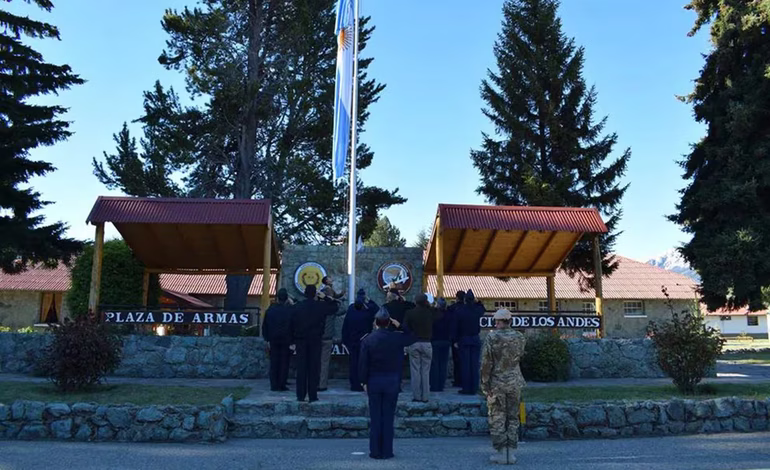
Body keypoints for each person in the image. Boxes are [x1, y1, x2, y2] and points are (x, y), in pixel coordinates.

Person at [359, 307, 417, 460]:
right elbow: (413, 336)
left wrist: (363, 381)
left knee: (375, 417)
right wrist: (399, 325)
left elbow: (363, 363)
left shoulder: (368, 339)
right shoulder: (396, 338)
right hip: (392, 381)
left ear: (375, 323)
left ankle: (375, 451)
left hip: (374, 381)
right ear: (388, 323)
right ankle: (387, 451)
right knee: (388, 417)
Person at [481, 309, 526, 465]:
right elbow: (519, 356)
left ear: (498, 321)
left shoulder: (492, 337)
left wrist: (485, 384)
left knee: (498, 417)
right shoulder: (520, 337)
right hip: (515, 381)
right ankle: (511, 453)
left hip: (497, 382)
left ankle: (501, 452)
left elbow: (487, 363)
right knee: (513, 417)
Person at [291, 285, 335, 402]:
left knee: (301, 369)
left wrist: (292, 340)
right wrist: (325, 297)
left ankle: (300, 395)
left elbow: (291, 324)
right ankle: (312, 395)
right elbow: (334, 307)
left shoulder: (298, 307)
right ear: (315, 294)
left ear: (304, 293)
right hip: (315, 340)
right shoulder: (320, 306)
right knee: (314, 368)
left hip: (300, 340)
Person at [404, 293, 443, 402]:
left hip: (414, 342)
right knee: (425, 371)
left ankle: (416, 396)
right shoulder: (430, 312)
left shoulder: (410, 313)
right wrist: (431, 306)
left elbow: (405, 326)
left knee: (415, 370)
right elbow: (440, 315)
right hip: (427, 343)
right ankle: (425, 396)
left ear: (415, 302)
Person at [341, 288, 378, 391]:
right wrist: (369, 300)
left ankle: (354, 384)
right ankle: (363, 383)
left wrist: (344, 339)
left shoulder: (351, 308)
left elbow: (346, 325)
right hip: (365, 340)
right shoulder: (368, 310)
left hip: (352, 340)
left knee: (353, 363)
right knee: (364, 363)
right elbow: (377, 309)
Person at [262, 288, 294, 391]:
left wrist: (267, 339)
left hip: (273, 340)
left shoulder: (270, 310)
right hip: (286, 340)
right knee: (284, 363)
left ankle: (274, 385)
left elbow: (265, 326)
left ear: (277, 298)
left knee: (274, 362)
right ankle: (281, 384)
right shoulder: (289, 311)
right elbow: (293, 326)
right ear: (286, 299)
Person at [318, 276, 345, 391]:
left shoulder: (318, 307)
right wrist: (336, 300)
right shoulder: (333, 308)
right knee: (324, 363)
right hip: (327, 338)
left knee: (316, 361)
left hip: (317, 336)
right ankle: (322, 384)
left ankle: (313, 381)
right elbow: (343, 309)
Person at [455, 289, 484, 395]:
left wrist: (455, 340)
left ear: (465, 300)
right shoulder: (477, 310)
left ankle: (466, 388)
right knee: (474, 365)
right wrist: (478, 301)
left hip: (464, 339)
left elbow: (456, 327)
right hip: (475, 338)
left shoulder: (460, 310)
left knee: (465, 365)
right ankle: (474, 388)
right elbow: (483, 308)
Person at [430, 297, 452, 392]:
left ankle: (435, 385)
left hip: (435, 340)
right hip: (446, 341)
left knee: (435, 364)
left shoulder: (433, 315)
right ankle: (441, 384)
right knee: (443, 364)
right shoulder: (449, 315)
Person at [449, 291, 465, 387]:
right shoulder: (467, 308)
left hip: (456, 338)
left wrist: (454, 339)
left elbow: (452, 325)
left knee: (456, 360)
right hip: (464, 337)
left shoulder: (452, 308)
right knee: (465, 360)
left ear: (457, 298)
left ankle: (457, 380)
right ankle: (464, 380)